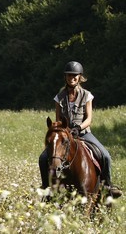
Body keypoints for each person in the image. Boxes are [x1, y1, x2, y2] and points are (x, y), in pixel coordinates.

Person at [38, 61, 122, 198]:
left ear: (79, 77)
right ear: (65, 77)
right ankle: (46, 187)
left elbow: (89, 118)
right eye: (69, 76)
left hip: (83, 133)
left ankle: (108, 187)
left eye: (74, 76)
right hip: (65, 135)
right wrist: (62, 129)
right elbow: (58, 119)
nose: (72, 78)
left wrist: (78, 127)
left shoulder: (86, 95)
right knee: (43, 158)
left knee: (105, 155)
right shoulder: (59, 97)